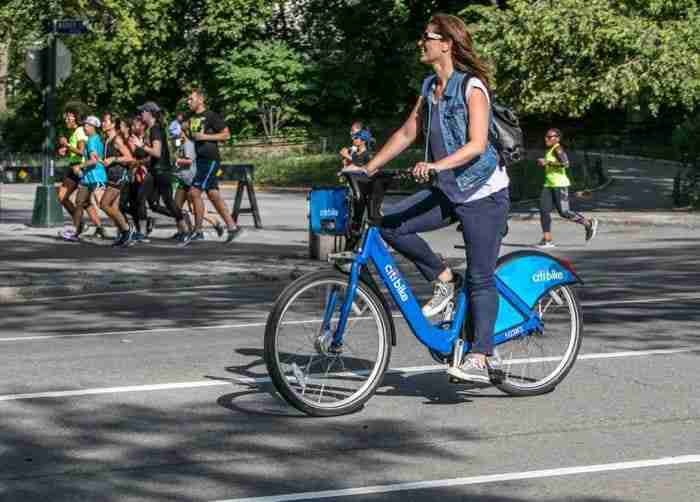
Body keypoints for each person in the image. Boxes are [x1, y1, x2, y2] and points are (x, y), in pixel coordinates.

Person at [342, 13, 509, 384]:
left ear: (447, 43)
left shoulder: (472, 87)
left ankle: (482, 355)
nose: (422, 42)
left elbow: (477, 144)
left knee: (481, 276)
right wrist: (367, 169)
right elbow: (406, 133)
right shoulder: (429, 87)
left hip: (483, 193)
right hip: (449, 189)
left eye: (428, 37)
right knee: (390, 225)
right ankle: (444, 277)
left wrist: (435, 165)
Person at [183, 87, 244, 245]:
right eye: (188, 99)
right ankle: (232, 227)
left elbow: (226, 134)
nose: (188, 101)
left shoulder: (211, 116)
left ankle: (197, 231)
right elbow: (192, 136)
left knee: (194, 192)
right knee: (213, 194)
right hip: (200, 159)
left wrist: (205, 136)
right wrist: (186, 132)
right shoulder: (190, 116)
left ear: (201, 100)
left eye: (191, 98)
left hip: (210, 159)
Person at [536, 128, 599, 248]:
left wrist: (547, 163)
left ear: (557, 138)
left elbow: (565, 163)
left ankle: (588, 223)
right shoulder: (550, 150)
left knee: (564, 212)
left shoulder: (558, 148)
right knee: (544, 211)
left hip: (560, 185)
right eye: (546, 136)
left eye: (550, 137)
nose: (547, 139)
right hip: (548, 184)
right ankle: (547, 240)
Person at [134, 102, 184, 236]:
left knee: (167, 202)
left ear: (149, 113)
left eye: (143, 111)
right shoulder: (154, 129)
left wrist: (141, 145)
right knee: (145, 200)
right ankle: (143, 231)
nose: (141, 114)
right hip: (155, 170)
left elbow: (157, 152)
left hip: (161, 171)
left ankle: (183, 227)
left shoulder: (155, 129)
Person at [57, 105, 103, 236]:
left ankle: (80, 224)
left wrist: (66, 145)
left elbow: (82, 151)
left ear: (75, 118)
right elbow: (77, 150)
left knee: (63, 197)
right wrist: (66, 150)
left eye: (68, 117)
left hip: (77, 167)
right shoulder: (76, 132)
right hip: (75, 166)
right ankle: (98, 227)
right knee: (85, 201)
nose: (66, 119)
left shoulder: (79, 131)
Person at [64, 115, 108, 241]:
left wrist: (80, 166)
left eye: (86, 125)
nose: (84, 127)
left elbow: (94, 160)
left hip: (96, 177)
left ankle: (124, 229)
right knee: (79, 202)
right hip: (87, 178)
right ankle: (76, 232)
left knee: (104, 205)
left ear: (92, 127)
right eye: (84, 125)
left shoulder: (93, 140)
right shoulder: (91, 139)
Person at [100, 112, 134, 246]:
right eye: (102, 121)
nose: (103, 123)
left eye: (105, 121)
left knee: (104, 204)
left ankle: (127, 229)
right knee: (114, 207)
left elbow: (129, 157)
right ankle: (124, 234)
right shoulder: (107, 140)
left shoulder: (117, 140)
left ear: (113, 124)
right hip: (111, 175)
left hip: (118, 176)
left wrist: (113, 159)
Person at [127, 115, 154, 241]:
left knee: (141, 200)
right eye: (132, 125)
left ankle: (142, 231)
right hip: (134, 174)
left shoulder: (148, 139)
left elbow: (152, 157)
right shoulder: (132, 138)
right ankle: (140, 227)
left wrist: (139, 163)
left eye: (135, 125)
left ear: (143, 126)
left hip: (146, 173)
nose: (133, 127)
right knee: (133, 202)